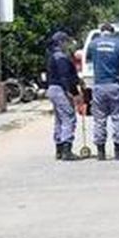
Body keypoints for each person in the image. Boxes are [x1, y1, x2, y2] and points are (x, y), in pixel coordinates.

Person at [86, 23, 119, 160]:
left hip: (99, 85)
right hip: (115, 85)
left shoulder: (93, 44)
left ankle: (101, 152)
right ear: (113, 32)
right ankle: (118, 151)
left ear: (101, 32)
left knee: (99, 119)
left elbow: (88, 58)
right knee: (118, 117)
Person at [44, 30, 81, 161]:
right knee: (69, 117)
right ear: (60, 42)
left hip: (53, 89)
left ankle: (59, 148)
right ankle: (66, 149)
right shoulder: (61, 57)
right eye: (66, 41)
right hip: (60, 89)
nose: (68, 44)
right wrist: (73, 93)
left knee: (60, 119)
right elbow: (65, 77)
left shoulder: (53, 55)